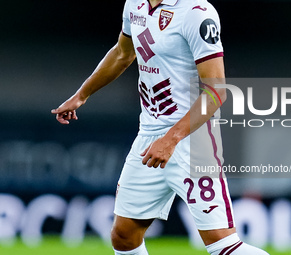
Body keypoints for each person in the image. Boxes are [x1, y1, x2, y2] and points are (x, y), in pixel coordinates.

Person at [51, 0, 269, 254]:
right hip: (149, 137)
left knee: (222, 245)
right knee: (124, 235)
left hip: (192, 140)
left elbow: (217, 90)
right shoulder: (135, 4)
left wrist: (172, 139)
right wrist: (82, 95)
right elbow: (123, 53)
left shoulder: (197, 13)